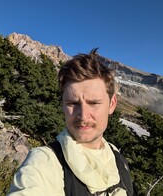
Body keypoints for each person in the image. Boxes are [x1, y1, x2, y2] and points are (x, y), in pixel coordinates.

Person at [7, 49, 135, 196]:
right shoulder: (44, 163)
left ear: (112, 104)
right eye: (73, 103)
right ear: (62, 104)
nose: (83, 115)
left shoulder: (115, 155)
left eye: (93, 103)